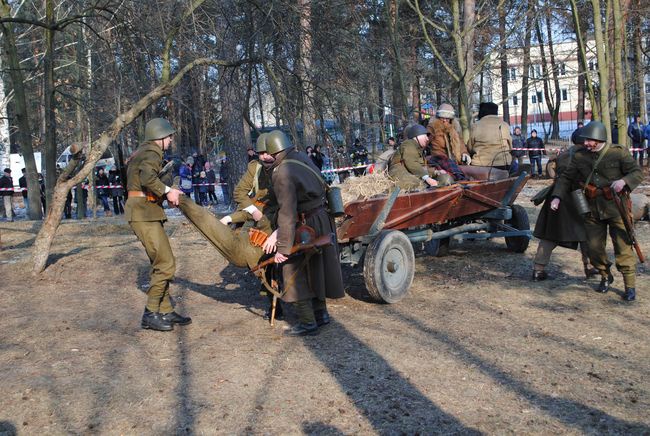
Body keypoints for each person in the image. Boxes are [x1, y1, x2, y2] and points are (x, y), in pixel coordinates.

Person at [262, 130, 345, 336]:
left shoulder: (282, 172)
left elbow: (287, 212)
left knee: (292, 271)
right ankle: (321, 314)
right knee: (315, 269)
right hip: (320, 219)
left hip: (305, 223)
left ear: (274, 150)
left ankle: (308, 322)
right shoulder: (301, 157)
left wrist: (283, 247)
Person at [551, 121, 643, 301]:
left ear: (599, 139)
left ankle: (629, 285)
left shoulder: (617, 153)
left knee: (623, 246)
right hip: (592, 208)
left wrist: (624, 182)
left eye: (589, 140)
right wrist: (557, 197)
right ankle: (604, 275)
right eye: (585, 140)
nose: (585, 143)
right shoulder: (580, 157)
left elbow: (636, 173)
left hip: (617, 207)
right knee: (593, 248)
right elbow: (566, 178)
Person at [124, 118, 190, 331]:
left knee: (160, 262)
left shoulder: (143, 151)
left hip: (145, 210)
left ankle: (165, 311)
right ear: (159, 137)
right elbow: (146, 178)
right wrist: (167, 190)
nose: (171, 140)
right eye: (169, 137)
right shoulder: (151, 152)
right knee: (165, 264)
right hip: (143, 212)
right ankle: (151, 313)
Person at [531, 127, 598, 281]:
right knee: (587, 232)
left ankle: (538, 269)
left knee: (549, 235)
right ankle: (591, 267)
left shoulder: (564, 154)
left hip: (557, 196)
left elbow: (553, 171)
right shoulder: (586, 156)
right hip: (578, 198)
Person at [388, 124, 444, 190]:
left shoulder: (418, 149)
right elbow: (412, 163)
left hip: (409, 174)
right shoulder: (409, 144)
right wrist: (427, 178)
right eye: (425, 135)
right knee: (420, 185)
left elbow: (420, 168)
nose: (427, 138)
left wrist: (435, 172)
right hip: (399, 174)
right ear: (417, 136)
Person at [467, 102, 513, 173]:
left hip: (480, 165)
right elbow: (510, 146)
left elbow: (470, 147)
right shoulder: (504, 125)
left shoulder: (476, 125)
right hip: (503, 164)